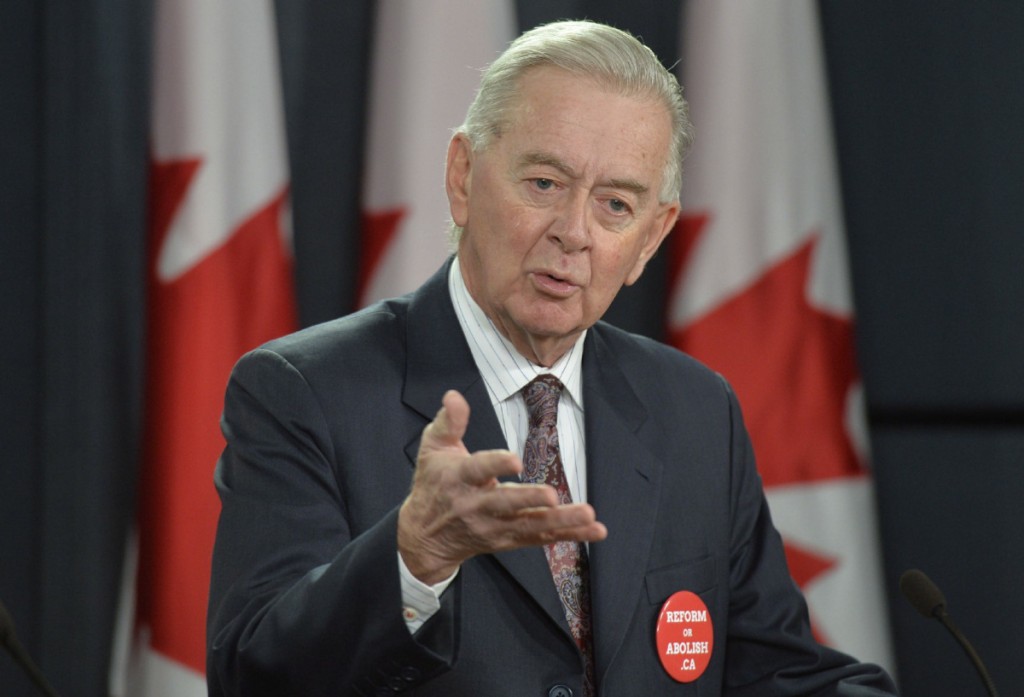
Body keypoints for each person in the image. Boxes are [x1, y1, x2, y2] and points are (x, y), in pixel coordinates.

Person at [206, 20, 898, 697]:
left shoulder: (693, 409)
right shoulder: (304, 392)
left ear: (652, 237)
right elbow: (253, 674)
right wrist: (414, 557)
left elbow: (773, 670)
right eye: (543, 183)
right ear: (463, 176)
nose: (574, 233)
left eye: (616, 204)